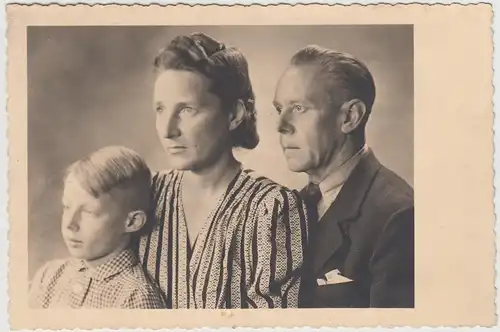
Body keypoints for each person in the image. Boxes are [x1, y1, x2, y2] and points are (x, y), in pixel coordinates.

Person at [137, 32, 308, 309]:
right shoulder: (146, 194)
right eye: (160, 109)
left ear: (234, 115)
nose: (167, 131)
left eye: (186, 110)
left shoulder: (271, 209)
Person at [273, 45, 414, 308]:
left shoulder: (398, 216)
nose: (280, 125)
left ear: (350, 117)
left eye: (299, 108)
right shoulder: (288, 208)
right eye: (279, 108)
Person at [28, 146, 166, 309]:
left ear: (132, 222)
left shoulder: (135, 297)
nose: (70, 224)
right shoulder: (49, 276)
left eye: (88, 212)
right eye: (67, 207)